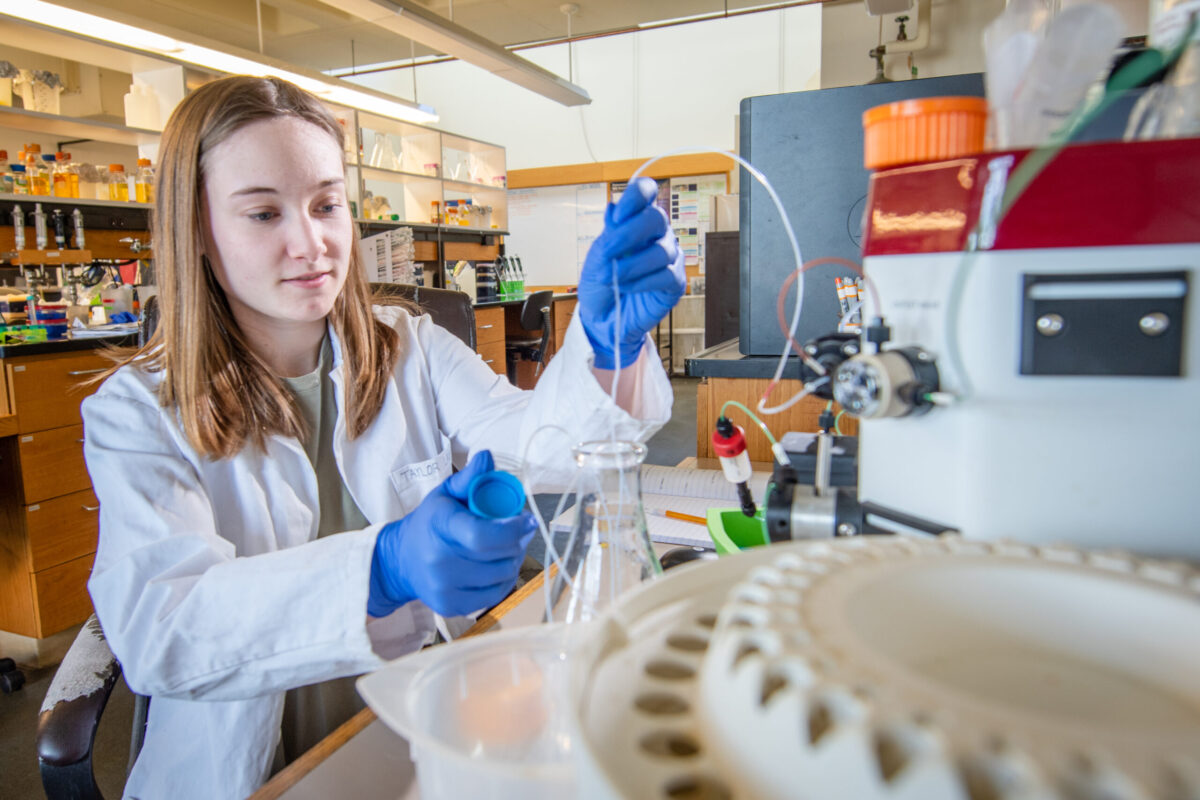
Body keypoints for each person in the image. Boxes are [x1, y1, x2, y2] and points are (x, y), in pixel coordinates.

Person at [82, 75, 684, 799]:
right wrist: (383, 568)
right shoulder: (136, 411)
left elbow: (539, 444)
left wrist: (605, 345)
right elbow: (160, 629)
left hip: (414, 724)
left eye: (327, 205)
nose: (312, 243)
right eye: (264, 213)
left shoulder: (411, 347)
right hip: (250, 771)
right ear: (199, 231)